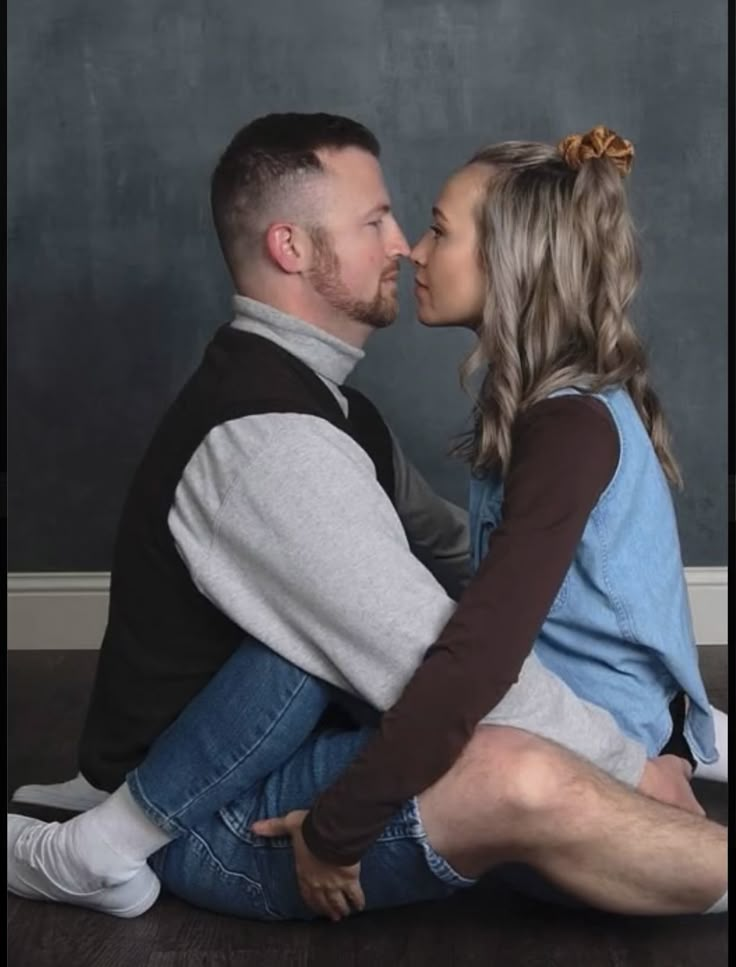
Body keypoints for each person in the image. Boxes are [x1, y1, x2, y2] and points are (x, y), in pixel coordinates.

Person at [8, 115, 727, 923]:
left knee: (413, 638)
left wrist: (668, 741)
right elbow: (451, 654)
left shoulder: (346, 412)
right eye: (377, 220)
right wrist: (637, 770)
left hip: (268, 751)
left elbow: (465, 556)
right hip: (208, 812)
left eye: (421, 224)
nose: (404, 247)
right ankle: (107, 836)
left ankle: (105, 816)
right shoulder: (274, 442)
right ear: (293, 248)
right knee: (499, 755)